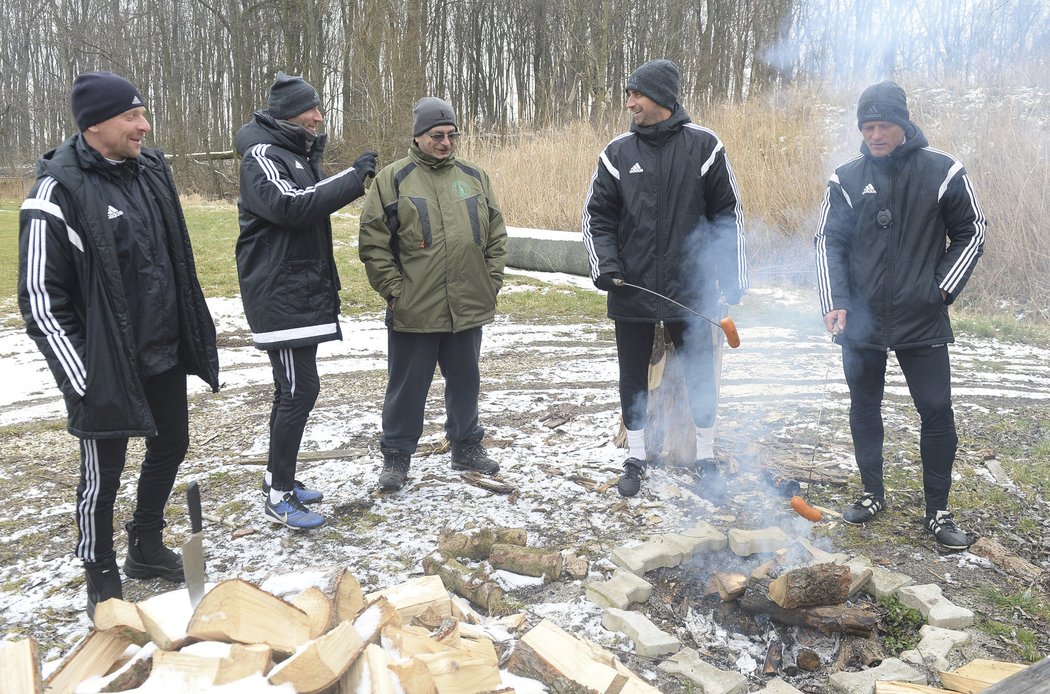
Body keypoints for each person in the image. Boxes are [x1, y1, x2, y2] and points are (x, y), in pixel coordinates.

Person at [17, 71, 220, 618]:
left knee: (171, 444)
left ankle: (145, 546)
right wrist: (83, 376)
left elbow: (173, 258)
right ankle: (100, 569)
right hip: (103, 364)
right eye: (132, 116)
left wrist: (190, 333)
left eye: (142, 113)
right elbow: (39, 297)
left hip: (162, 352)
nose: (143, 126)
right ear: (95, 124)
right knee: (101, 477)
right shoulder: (55, 191)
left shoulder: (151, 171)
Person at [814, 81, 986, 549]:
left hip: (921, 317)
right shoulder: (846, 178)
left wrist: (940, 290)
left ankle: (938, 511)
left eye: (882, 125)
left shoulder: (943, 171)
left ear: (903, 124)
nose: (874, 134)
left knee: (935, 409)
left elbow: (972, 231)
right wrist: (836, 301)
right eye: (867, 126)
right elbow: (829, 241)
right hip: (863, 319)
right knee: (864, 405)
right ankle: (872, 493)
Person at [583, 59, 748, 500]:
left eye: (636, 94)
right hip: (631, 286)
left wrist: (731, 279)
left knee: (698, 375)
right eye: (629, 94)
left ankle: (706, 456)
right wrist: (607, 266)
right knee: (632, 376)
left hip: (690, 287)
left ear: (661, 97)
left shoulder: (704, 146)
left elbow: (727, 214)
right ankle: (635, 456)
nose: (630, 102)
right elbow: (597, 216)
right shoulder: (617, 152)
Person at [235, 72, 376, 529]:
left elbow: (307, 204)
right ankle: (279, 493)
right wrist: (353, 178)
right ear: (289, 114)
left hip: (298, 292)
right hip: (279, 295)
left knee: (292, 389)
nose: (319, 117)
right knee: (299, 389)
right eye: (311, 110)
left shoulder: (292, 154)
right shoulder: (261, 156)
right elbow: (292, 206)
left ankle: (282, 478)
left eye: (318, 109)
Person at [358, 96, 508, 492]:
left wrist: (490, 281)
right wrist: (395, 292)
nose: (446, 142)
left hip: (468, 304)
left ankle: (466, 445)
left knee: (465, 380)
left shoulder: (475, 177)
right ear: (419, 137)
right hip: (415, 307)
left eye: (452, 135)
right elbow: (374, 244)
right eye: (437, 135)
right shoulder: (393, 179)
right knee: (407, 386)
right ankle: (396, 457)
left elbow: (496, 234)